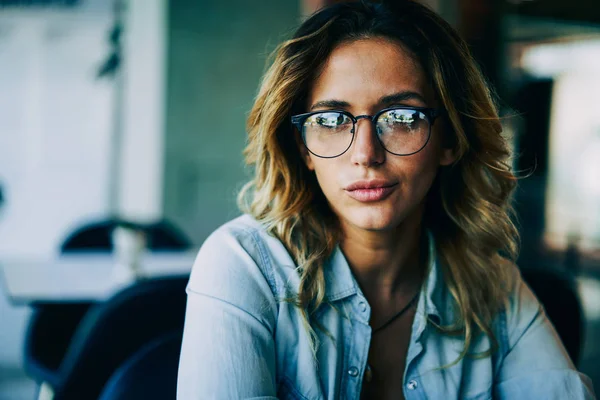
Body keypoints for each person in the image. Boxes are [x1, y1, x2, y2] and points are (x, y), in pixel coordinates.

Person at [176, 1, 596, 399]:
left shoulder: (493, 286)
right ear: (302, 147)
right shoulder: (245, 267)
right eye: (330, 120)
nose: (365, 154)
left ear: (449, 139)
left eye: (402, 118)